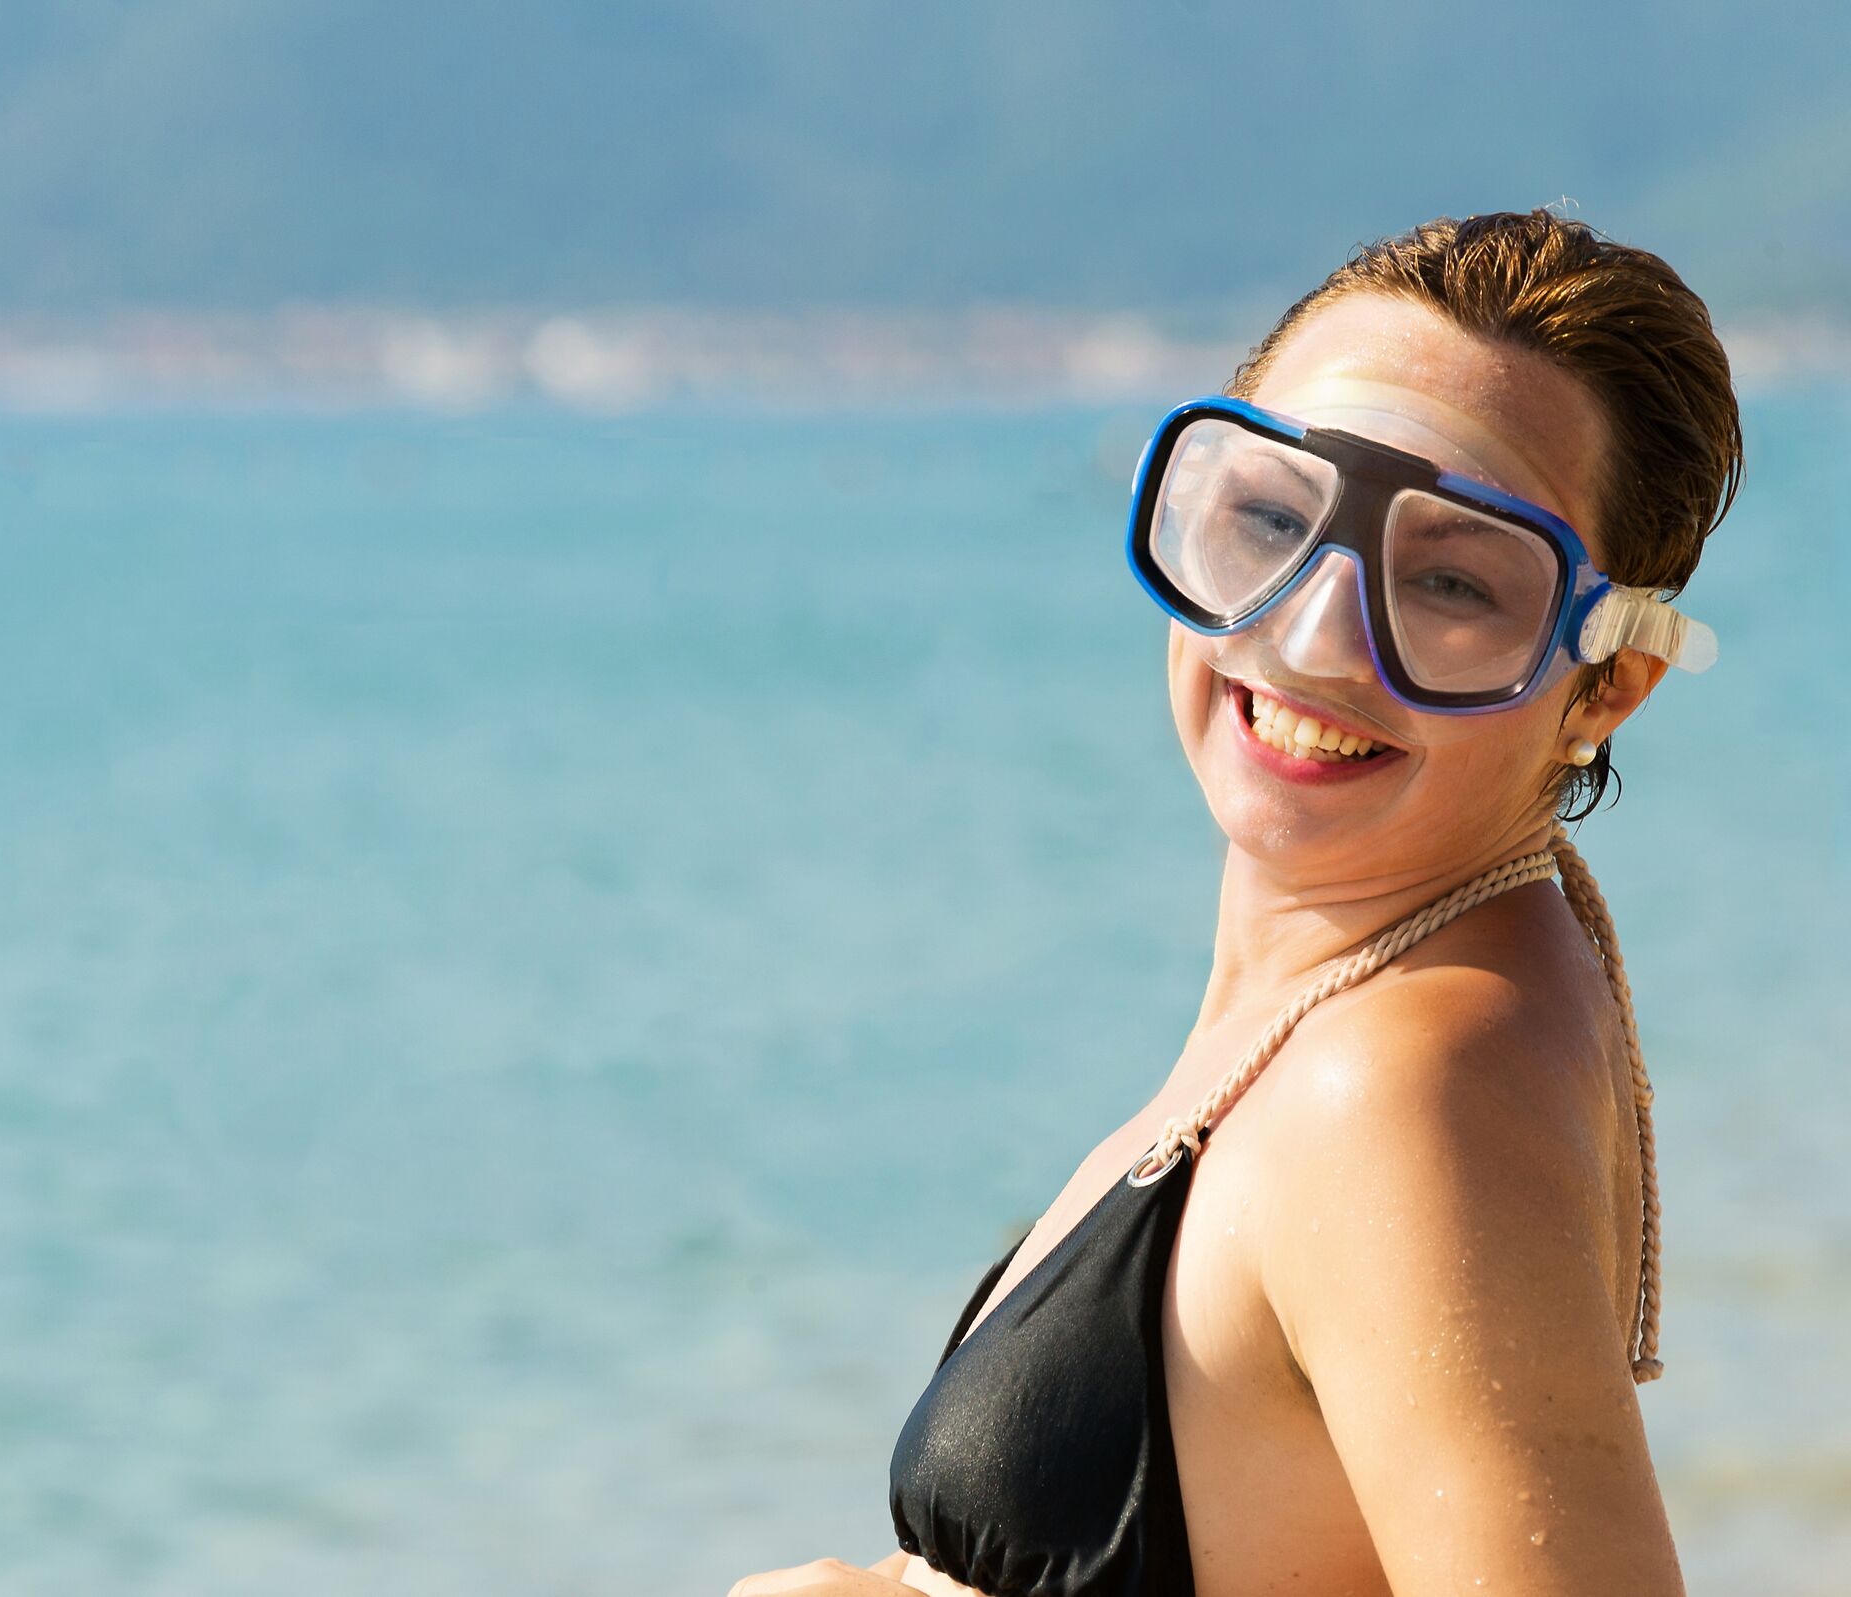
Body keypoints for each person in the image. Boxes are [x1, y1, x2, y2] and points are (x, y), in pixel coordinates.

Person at [731, 208, 1744, 1597]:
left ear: (1606, 683)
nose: (1319, 633)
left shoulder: (1402, 1089)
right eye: (1272, 515)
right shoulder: (1401, 981)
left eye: (1449, 580)